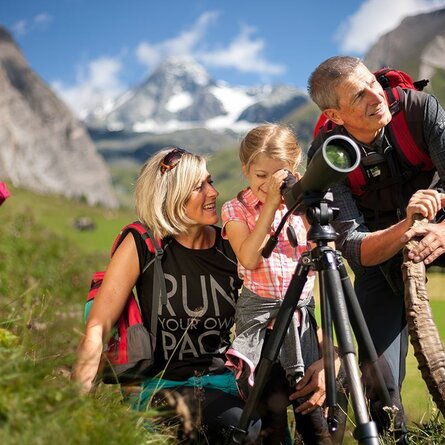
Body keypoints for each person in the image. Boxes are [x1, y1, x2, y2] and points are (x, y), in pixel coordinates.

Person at [72, 147, 261, 444]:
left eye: (210, 181)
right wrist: (76, 401)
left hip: (225, 385)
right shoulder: (144, 243)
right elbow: (98, 325)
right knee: (236, 428)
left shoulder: (230, 246)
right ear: (171, 196)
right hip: (161, 386)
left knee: (257, 428)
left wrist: (326, 354)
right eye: (199, 187)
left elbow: (279, 299)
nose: (213, 192)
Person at [307, 55, 445, 441]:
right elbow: (355, 248)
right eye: (359, 95)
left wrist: (442, 228)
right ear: (334, 115)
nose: (376, 96)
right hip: (380, 251)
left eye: (373, 83)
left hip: (441, 222)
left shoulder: (418, 109)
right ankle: (391, 436)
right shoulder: (327, 156)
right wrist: (408, 226)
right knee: (376, 383)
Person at [221, 123, 344, 445]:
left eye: (277, 175)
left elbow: (325, 257)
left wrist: (302, 203)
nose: (267, 184)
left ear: (294, 168)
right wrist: (271, 206)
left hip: (301, 325)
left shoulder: (301, 208)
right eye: (260, 175)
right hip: (261, 328)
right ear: (245, 170)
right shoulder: (235, 209)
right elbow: (249, 258)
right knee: (270, 424)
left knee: (313, 416)